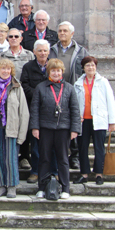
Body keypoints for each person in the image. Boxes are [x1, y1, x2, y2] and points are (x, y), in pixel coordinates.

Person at [30, 58, 81, 199]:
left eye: (58, 70)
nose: (56, 73)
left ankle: (65, 188)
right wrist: (35, 127)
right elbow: (34, 109)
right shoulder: (41, 87)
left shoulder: (69, 88)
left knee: (63, 159)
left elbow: (75, 110)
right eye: (53, 70)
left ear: (62, 72)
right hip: (45, 128)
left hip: (63, 129)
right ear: (49, 72)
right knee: (44, 158)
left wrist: (75, 129)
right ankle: (42, 187)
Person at [0, 58, 29, 198]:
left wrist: (21, 135)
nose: (5, 71)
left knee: (10, 158)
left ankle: (11, 186)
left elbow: (24, 112)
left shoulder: (17, 87)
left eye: (8, 69)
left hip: (12, 127)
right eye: (2, 69)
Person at [49, 21, 89, 169]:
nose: (62, 33)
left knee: (74, 123)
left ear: (72, 33)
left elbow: (87, 70)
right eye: (60, 31)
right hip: (55, 92)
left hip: (73, 91)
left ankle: (75, 156)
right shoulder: (52, 49)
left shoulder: (81, 51)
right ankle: (60, 155)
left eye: (65, 31)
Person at [73, 56, 115, 186]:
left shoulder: (103, 82)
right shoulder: (78, 83)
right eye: (87, 65)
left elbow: (111, 101)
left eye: (92, 65)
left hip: (99, 119)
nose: (90, 68)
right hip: (83, 120)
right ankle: (84, 173)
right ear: (83, 68)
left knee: (99, 147)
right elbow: (75, 103)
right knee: (82, 147)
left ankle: (99, 173)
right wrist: (76, 118)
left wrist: (112, 121)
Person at [20, 39, 55, 183]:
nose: (42, 53)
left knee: (52, 145)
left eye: (45, 50)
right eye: (39, 50)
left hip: (51, 110)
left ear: (49, 52)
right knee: (35, 144)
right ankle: (35, 172)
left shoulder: (54, 66)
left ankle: (53, 172)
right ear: (34, 52)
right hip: (33, 109)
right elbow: (25, 85)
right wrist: (39, 94)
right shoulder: (28, 66)